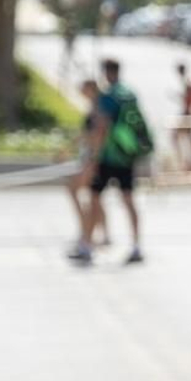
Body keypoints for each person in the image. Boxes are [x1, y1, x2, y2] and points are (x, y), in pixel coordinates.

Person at [71, 58, 149, 266]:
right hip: (126, 155)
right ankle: (136, 245)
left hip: (108, 157)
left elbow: (101, 128)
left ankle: (86, 246)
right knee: (129, 200)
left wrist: (94, 158)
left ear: (106, 72)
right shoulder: (130, 94)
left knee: (94, 198)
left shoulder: (107, 97)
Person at [64, 78, 108, 251]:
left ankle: (87, 233)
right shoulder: (95, 106)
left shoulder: (99, 108)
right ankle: (99, 233)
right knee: (94, 196)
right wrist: (69, 148)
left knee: (83, 193)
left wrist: (94, 160)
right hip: (91, 158)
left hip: (93, 159)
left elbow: (98, 134)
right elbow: (86, 133)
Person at [171, 62, 191, 171]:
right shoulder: (186, 81)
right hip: (187, 114)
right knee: (188, 139)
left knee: (178, 137)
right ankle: (188, 163)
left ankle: (185, 163)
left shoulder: (187, 82)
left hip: (187, 115)